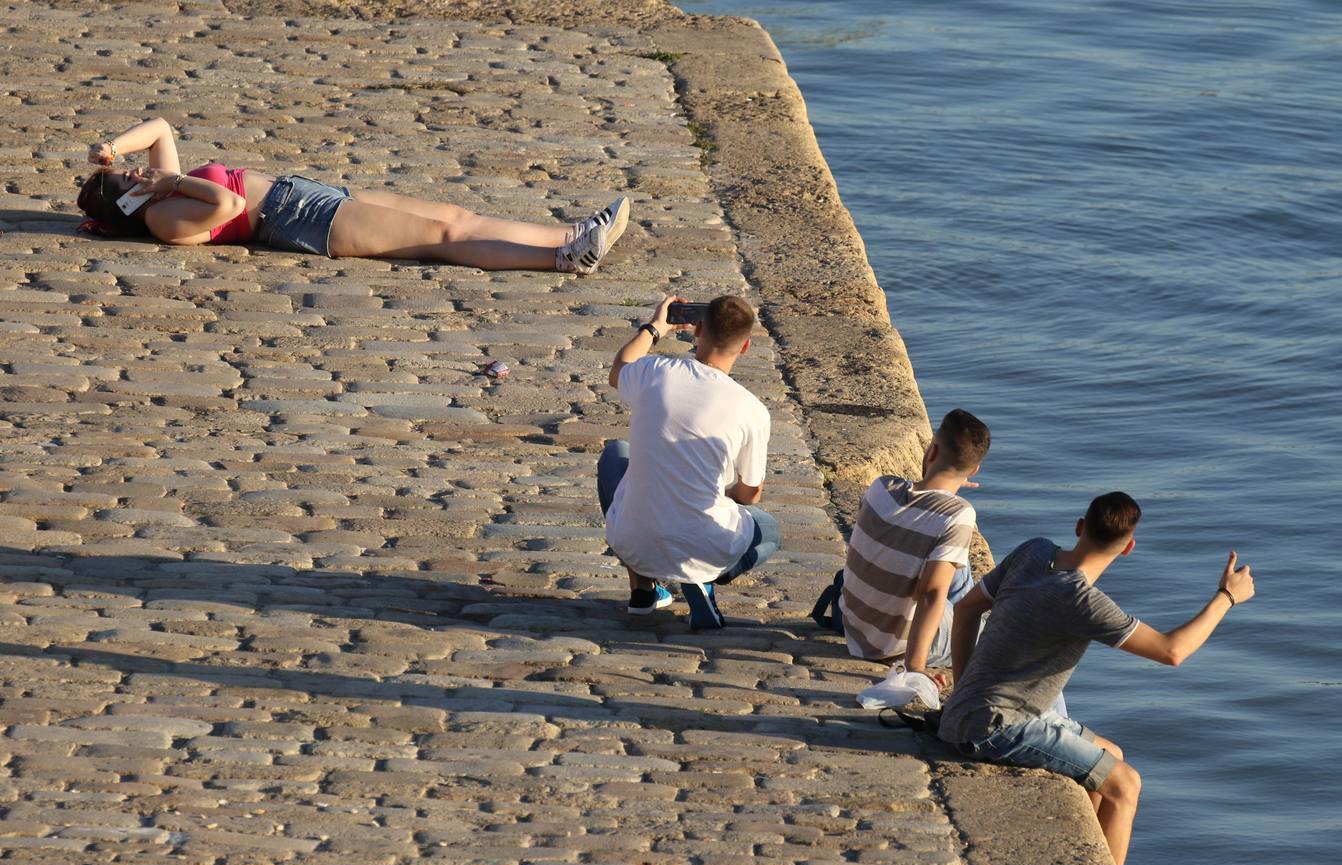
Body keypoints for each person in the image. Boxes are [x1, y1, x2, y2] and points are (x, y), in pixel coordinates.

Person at [937, 492, 1256, 865]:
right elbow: (1173, 651)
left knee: (1112, 754)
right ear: (1128, 548)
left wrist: (963, 688)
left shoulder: (1034, 551)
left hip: (976, 712)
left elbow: (967, 608)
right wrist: (1227, 597)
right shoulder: (1083, 601)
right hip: (997, 726)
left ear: (1079, 526)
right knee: (1126, 785)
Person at [74, 117, 628, 273]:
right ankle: (558, 258)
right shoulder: (161, 219)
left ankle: (574, 234)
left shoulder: (157, 186)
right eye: (124, 180)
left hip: (303, 193)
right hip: (298, 222)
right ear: (123, 207)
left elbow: (162, 128)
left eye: (126, 170)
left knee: (455, 214)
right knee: (442, 239)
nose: (132, 173)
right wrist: (168, 183)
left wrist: (109, 146)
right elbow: (229, 207)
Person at [597, 294, 780, 629]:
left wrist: (655, 328)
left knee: (614, 456)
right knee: (769, 529)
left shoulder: (656, 370)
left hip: (635, 539)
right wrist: (722, 491)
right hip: (706, 546)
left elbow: (619, 370)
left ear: (697, 330)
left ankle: (642, 589)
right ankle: (700, 580)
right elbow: (750, 494)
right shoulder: (752, 409)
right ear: (745, 347)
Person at [811, 409, 989, 682]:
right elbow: (931, 593)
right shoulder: (957, 514)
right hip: (890, 645)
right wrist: (915, 669)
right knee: (995, 636)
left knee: (951, 561)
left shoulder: (880, 488)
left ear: (931, 451)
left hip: (853, 625)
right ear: (973, 470)